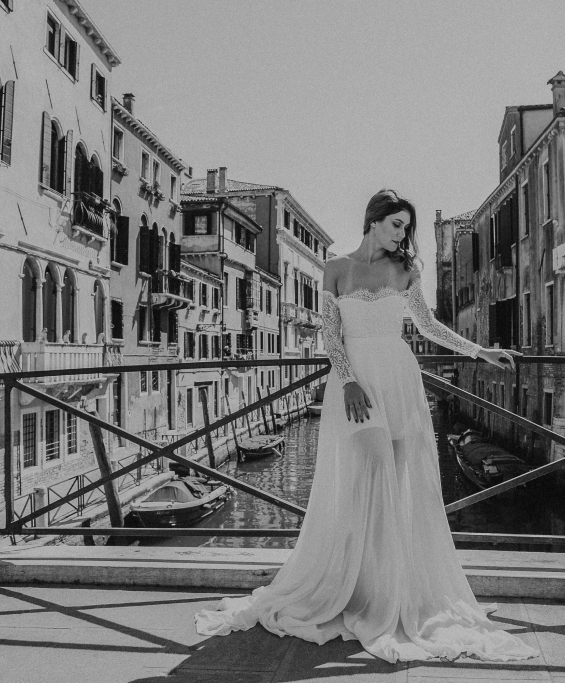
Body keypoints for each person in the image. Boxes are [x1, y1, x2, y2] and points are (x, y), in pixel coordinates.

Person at [194, 189, 534, 663]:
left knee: (401, 482)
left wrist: (480, 351)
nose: (402, 234)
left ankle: (393, 592)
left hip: (399, 376)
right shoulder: (336, 267)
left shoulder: (406, 270)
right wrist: (349, 381)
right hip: (355, 382)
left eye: (406, 227)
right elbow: (331, 336)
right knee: (368, 473)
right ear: (373, 221)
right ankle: (355, 589)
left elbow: (429, 327)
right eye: (396, 224)